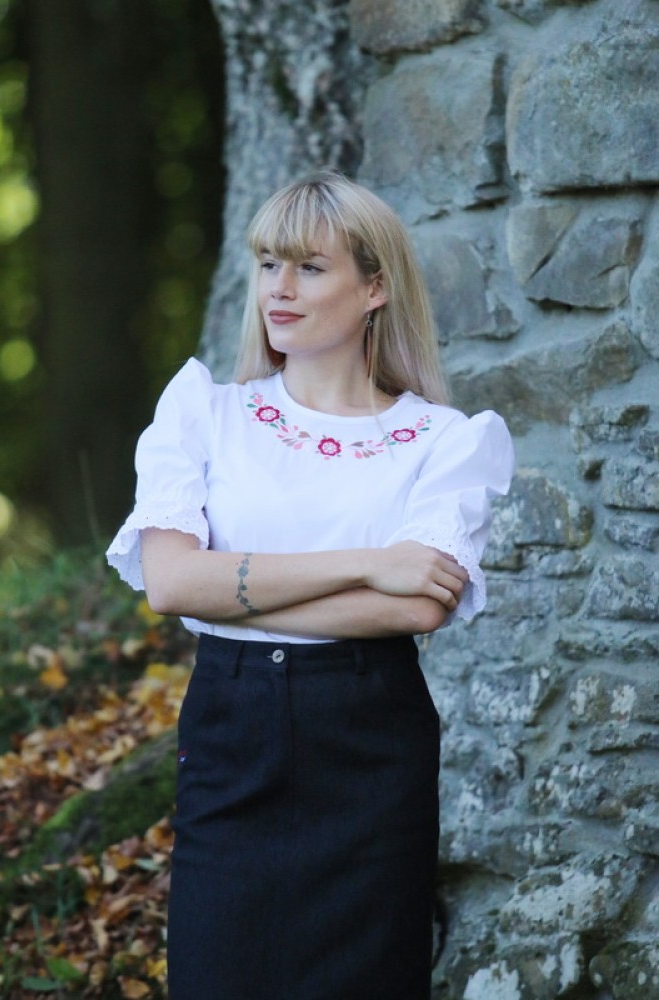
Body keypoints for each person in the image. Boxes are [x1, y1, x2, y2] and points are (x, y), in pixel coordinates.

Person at [106, 170, 514, 1000]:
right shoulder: (205, 413)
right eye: (268, 264)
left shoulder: (443, 440)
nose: (278, 289)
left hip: (370, 743)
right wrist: (367, 562)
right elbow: (172, 582)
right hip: (231, 734)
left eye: (309, 268)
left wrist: (236, 590)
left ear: (374, 287)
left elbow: (418, 604)